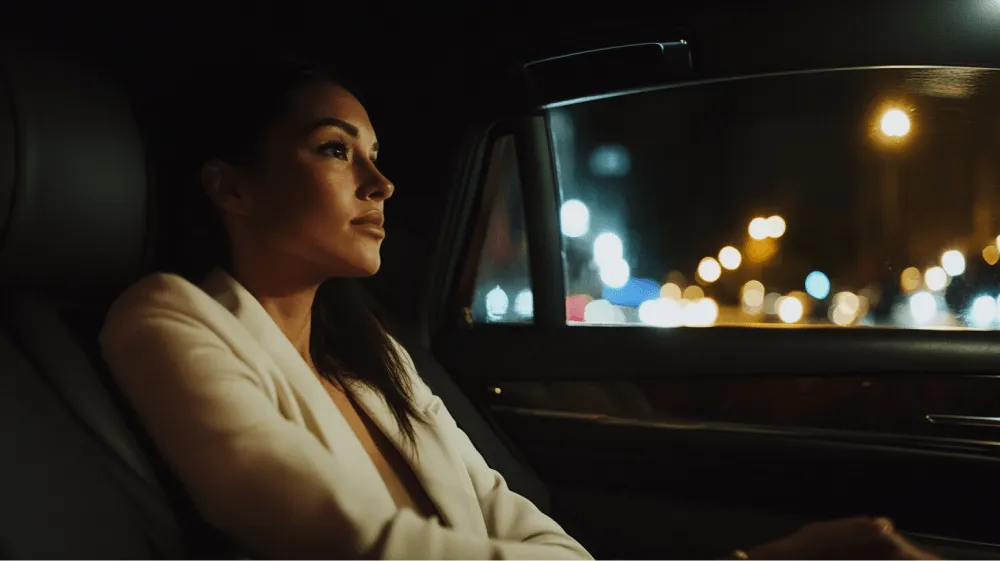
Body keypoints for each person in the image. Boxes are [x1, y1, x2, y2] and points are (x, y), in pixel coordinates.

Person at [99, 57, 944, 561]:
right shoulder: (167, 321)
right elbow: (349, 544)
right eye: (334, 149)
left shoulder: (375, 357)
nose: (379, 183)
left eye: (377, 155)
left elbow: (533, 532)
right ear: (230, 186)